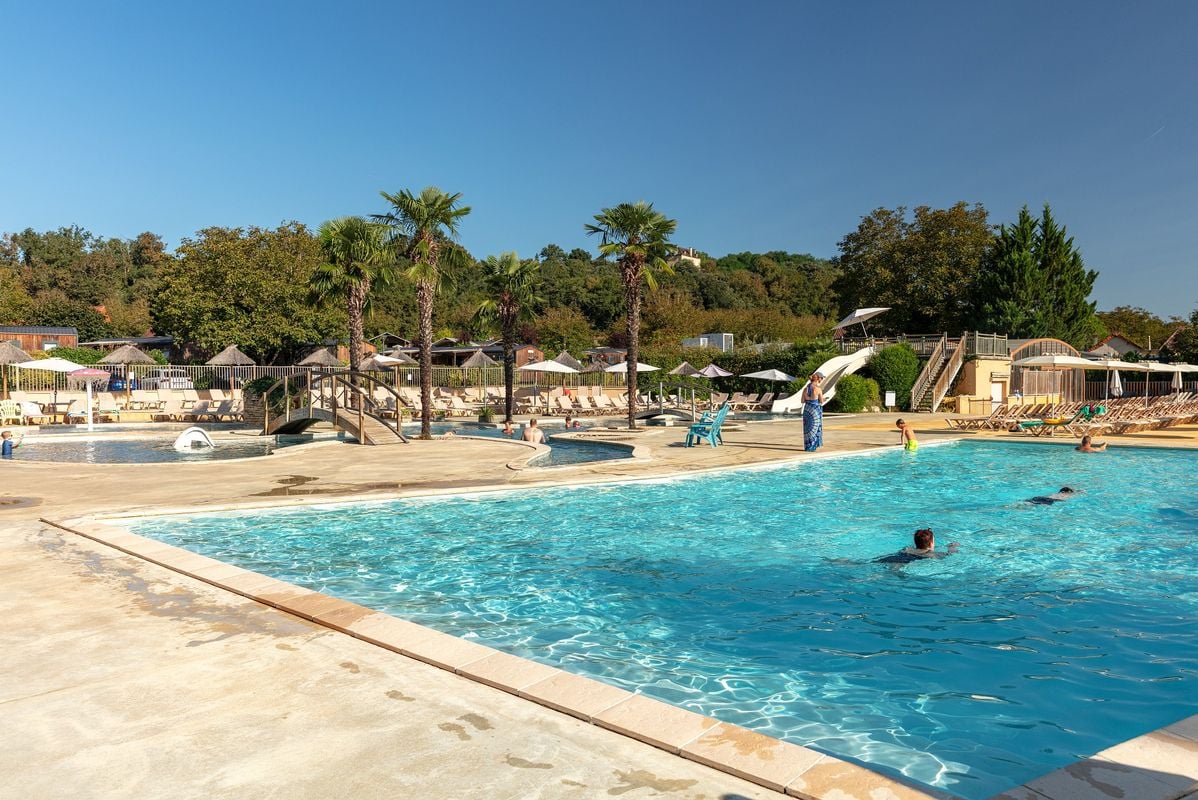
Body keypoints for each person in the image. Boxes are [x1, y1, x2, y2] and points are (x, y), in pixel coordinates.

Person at [875, 528, 959, 564]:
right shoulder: (931, 554)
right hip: (905, 561)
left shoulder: (908, 548)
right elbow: (950, 555)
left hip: (893, 557)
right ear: (931, 543)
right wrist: (952, 547)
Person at [802, 371, 825, 452]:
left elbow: (802, 400)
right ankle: (812, 447)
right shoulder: (818, 389)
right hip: (815, 410)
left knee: (808, 428)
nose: (822, 379)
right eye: (821, 378)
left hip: (807, 410)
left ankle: (807, 447)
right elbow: (821, 401)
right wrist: (823, 399)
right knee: (814, 428)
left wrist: (808, 399)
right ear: (818, 379)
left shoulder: (805, 389)